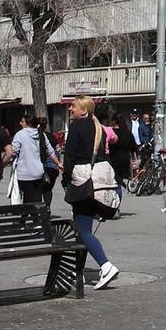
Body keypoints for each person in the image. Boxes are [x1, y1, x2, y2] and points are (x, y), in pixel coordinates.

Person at [59, 96, 121, 290]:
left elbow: (69, 156)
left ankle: (105, 265)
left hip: (83, 182)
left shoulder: (77, 127)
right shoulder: (99, 128)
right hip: (99, 183)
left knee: (82, 230)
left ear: (83, 110)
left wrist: (65, 178)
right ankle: (79, 272)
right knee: (83, 227)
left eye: (74, 107)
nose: (70, 109)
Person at [13, 112, 60, 207]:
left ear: (28, 124)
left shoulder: (20, 134)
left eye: (22, 122)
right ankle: (38, 218)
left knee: (27, 198)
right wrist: (58, 163)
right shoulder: (41, 134)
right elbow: (50, 151)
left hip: (24, 173)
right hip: (38, 172)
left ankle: (24, 218)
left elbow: (13, 151)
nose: (20, 123)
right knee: (36, 198)